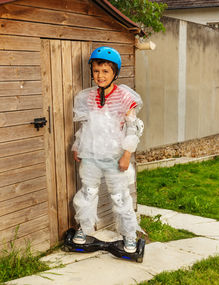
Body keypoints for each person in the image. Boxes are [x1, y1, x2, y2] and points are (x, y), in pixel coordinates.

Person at [71, 46, 144, 253]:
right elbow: (85, 126)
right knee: (87, 193)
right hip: (91, 155)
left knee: (120, 196)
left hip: (114, 157)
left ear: (114, 73)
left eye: (105, 71)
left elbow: (132, 128)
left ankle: (129, 235)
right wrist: (78, 146)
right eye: (96, 71)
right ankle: (84, 229)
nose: (100, 76)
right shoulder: (87, 97)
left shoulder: (124, 97)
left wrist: (127, 154)